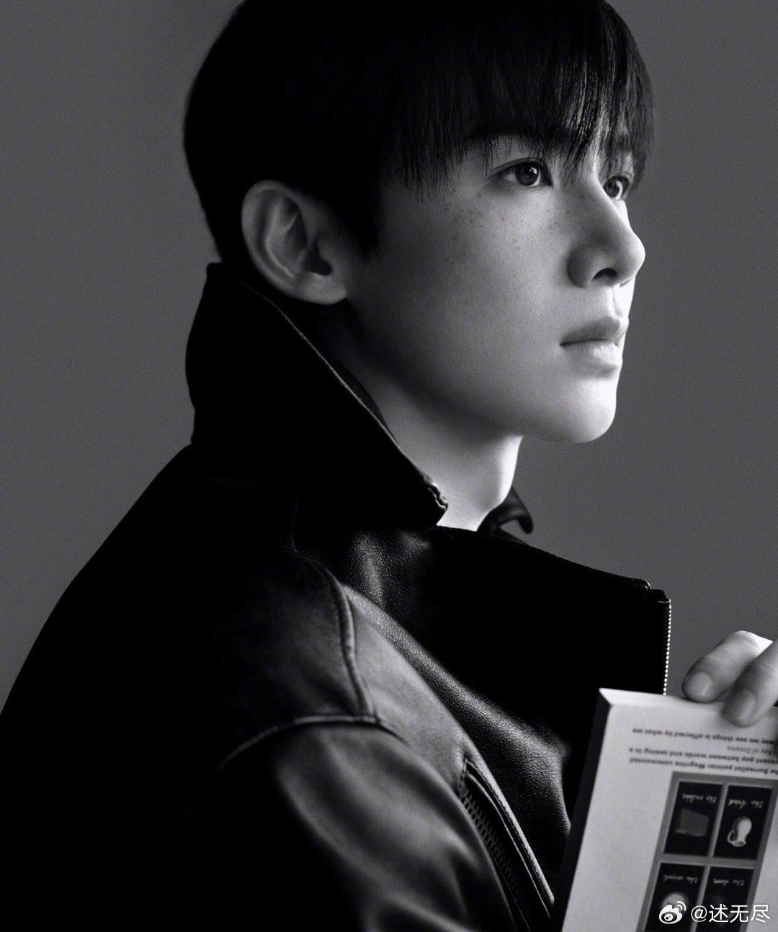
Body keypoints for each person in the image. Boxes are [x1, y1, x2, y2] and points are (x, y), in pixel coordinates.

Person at [1, 1, 775, 929]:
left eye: (616, 178)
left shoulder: (317, 630)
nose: (624, 249)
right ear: (304, 244)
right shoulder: (318, 722)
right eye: (526, 172)